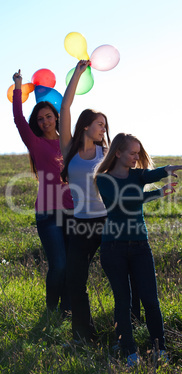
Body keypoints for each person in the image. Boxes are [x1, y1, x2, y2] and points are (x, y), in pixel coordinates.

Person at [95, 133, 182, 366]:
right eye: (132, 153)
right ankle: (129, 352)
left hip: (140, 247)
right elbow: (123, 200)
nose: (137, 157)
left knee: (150, 299)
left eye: (139, 153)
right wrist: (158, 193)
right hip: (113, 247)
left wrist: (168, 168)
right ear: (118, 153)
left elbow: (149, 174)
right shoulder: (103, 179)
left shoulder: (138, 175)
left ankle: (161, 349)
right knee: (123, 301)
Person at [12, 70, 74, 316]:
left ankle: (67, 310)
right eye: (40, 119)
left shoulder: (69, 141)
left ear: (57, 117)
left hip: (72, 211)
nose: (45, 122)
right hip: (48, 213)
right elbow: (18, 118)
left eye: (49, 116)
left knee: (70, 265)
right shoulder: (35, 143)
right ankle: (51, 310)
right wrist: (18, 86)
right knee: (58, 265)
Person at [59, 60, 111, 343]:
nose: (103, 128)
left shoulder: (107, 151)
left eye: (105, 124)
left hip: (107, 221)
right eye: (99, 124)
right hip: (81, 224)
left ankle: (123, 330)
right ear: (86, 126)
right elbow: (64, 109)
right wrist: (77, 74)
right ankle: (83, 335)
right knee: (75, 281)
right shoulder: (69, 148)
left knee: (119, 278)